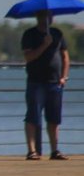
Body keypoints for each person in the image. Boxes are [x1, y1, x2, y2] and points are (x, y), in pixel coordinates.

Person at [21, 10, 70, 161]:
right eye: (45, 16)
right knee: (33, 116)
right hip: (36, 82)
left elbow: (65, 56)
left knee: (54, 118)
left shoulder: (57, 33)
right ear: (38, 17)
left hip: (55, 82)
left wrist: (63, 76)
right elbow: (28, 57)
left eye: (51, 16)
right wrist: (44, 45)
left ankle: (55, 150)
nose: (49, 19)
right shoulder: (30, 34)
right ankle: (32, 150)